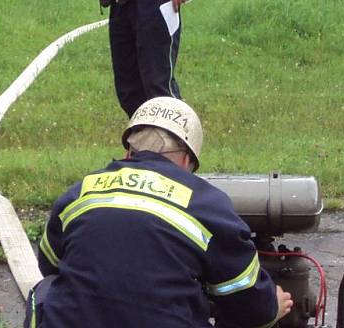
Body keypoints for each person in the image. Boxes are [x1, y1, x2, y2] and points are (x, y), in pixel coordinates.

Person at [26, 96, 294, 328]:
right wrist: (272, 305)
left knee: (47, 289)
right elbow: (246, 302)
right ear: (188, 160)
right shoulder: (207, 203)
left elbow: (49, 262)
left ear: (128, 152)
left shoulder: (82, 190)